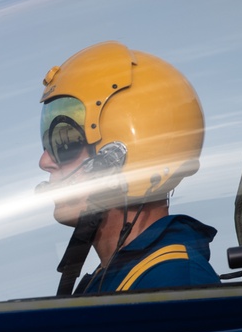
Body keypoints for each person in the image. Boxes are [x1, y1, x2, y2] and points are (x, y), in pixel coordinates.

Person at [37, 41, 220, 295]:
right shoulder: (110, 282)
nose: (44, 161)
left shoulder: (173, 282)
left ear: (118, 157)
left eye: (65, 142)